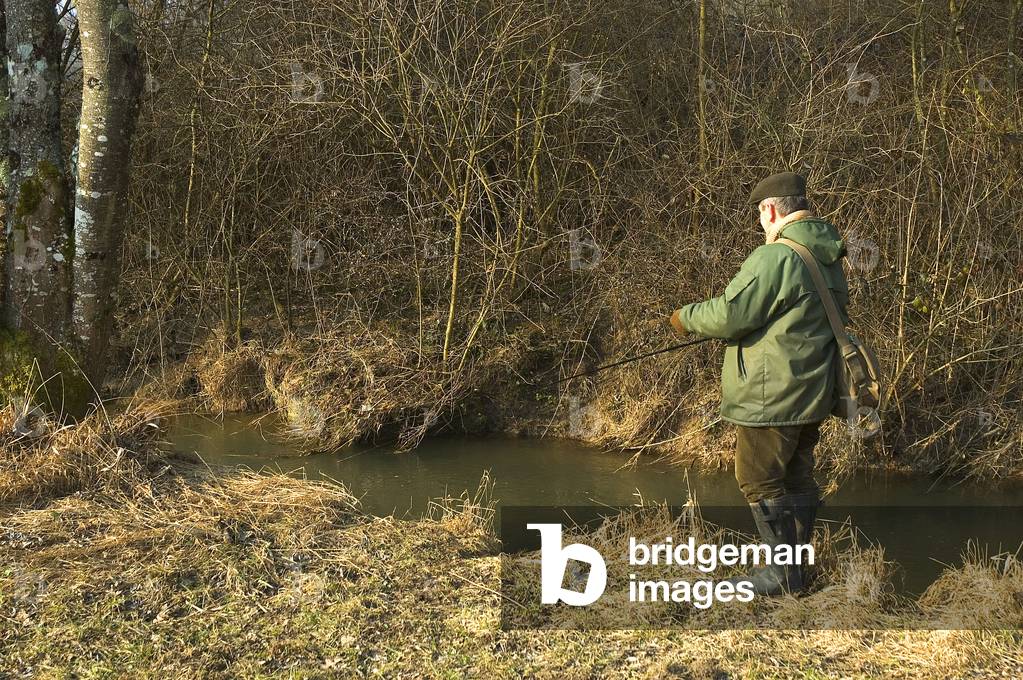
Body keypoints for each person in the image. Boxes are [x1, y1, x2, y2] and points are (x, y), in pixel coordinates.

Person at [668, 171, 849, 596]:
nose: (760, 224)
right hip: (814, 392)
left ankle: (781, 575)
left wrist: (685, 317)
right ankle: (796, 570)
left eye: (760, 215)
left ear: (770, 210)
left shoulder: (776, 257)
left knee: (758, 478)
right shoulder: (828, 253)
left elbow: (732, 315)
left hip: (773, 396)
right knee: (798, 477)